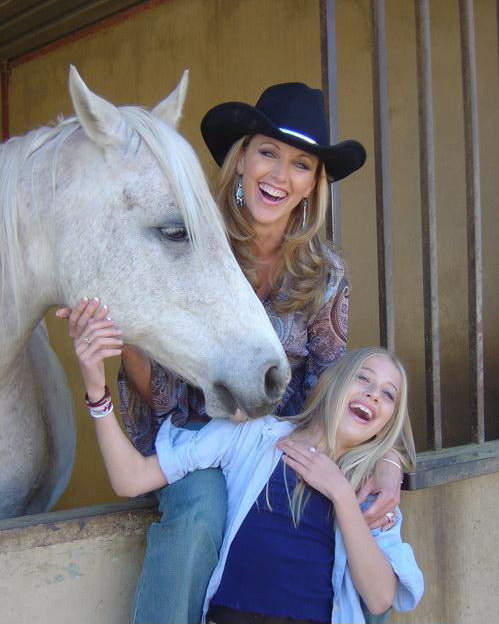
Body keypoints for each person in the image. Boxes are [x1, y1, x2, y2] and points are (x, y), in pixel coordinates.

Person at [58, 82, 405, 623]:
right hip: (193, 435)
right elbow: (162, 395)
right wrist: (119, 334)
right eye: (267, 152)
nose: (279, 175)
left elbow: (332, 382)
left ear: (314, 183)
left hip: (278, 446)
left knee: (364, 522)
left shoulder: (326, 273)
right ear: (241, 158)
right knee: (201, 508)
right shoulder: (187, 239)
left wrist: (385, 460)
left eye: (300, 164)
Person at [70, 307, 424, 624]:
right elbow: (131, 479)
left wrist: (342, 495)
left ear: (387, 422)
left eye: (388, 394)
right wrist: (96, 389)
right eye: (363, 378)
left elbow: (379, 598)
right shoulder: (252, 435)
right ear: (335, 382)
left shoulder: (369, 492)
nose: (374, 394)